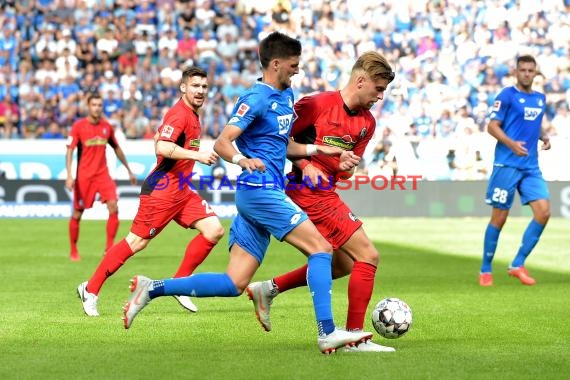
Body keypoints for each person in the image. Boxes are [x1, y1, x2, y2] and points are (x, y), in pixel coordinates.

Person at [121, 31, 372, 354]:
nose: (297, 70)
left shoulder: (285, 95)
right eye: (293, 65)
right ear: (276, 64)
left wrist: (321, 149)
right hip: (259, 190)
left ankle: (152, 288)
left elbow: (284, 144)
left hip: (264, 191)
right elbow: (224, 142)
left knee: (233, 283)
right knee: (321, 248)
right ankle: (327, 332)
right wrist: (241, 158)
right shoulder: (254, 98)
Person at [245, 51, 397, 352]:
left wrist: (346, 165)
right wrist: (305, 165)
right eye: (378, 89)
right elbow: (277, 143)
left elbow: (347, 171)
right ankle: (355, 337)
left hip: (325, 192)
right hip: (304, 191)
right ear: (361, 80)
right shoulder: (315, 105)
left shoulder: (367, 123)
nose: (380, 97)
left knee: (342, 265)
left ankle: (268, 288)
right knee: (368, 255)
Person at [77, 67, 222, 316]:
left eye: (204, 86)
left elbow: (160, 136)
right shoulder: (180, 115)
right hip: (162, 191)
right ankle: (90, 289)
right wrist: (197, 154)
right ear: (183, 88)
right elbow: (164, 146)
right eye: (195, 86)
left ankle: (179, 285)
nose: (200, 91)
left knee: (214, 230)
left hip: (181, 190)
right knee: (137, 241)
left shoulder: (192, 115)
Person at [479, 55, 551, 287]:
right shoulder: (506, 96)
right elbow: (492, 126)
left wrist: (543, 136)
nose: (527, 74)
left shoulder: (540, 98)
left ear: (535, 72)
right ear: (516, 72)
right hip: (507, 164)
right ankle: (485, 269)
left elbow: (533, 124)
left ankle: (517, 264)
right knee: (499, 218)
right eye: (523, 70)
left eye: (531, 70)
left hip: (531, 167)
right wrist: (512, 144)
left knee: (543, 213)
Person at [65, 93, 137, 261]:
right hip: (84, 177)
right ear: (88, 107)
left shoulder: (107, 127)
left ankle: (109, 248)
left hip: (103, 175)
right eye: (94, 105)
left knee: (114, 206)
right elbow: (70, 150)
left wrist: (128, 170)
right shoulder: (78, 126)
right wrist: (69, 175)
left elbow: (116, 148)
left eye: (99, 105)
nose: (97, 107)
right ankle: (73, 250)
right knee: (77, 213)